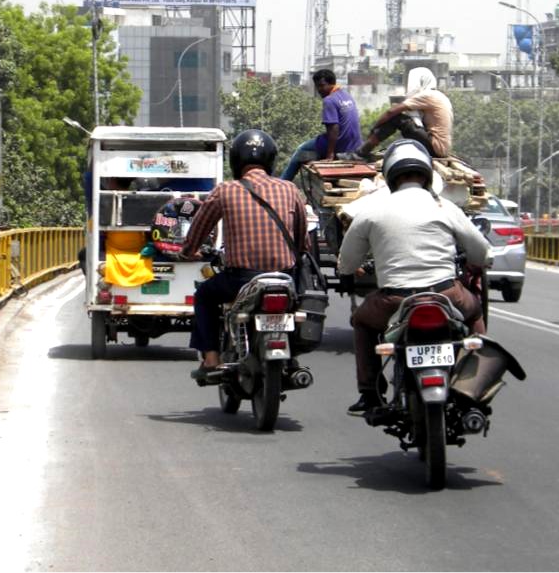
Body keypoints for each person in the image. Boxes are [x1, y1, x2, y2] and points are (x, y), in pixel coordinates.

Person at [337, 139, 490, 414]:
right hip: (446, 294)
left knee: (361, 322)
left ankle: (370, 393)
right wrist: (477, 263)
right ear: (427, 174)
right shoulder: (445, 207)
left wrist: (349, 272)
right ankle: (474, 386)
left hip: (394, 300)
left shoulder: (370, 209)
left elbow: (347, 262)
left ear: (391, 175)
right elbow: (480, 252)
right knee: (475, 313)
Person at [181, 129, 307, 381]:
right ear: (270, 159)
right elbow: (302, 238)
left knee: (204, 296)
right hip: (284, 279)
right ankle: (291, 356)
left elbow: (198, 230)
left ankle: (211, 358)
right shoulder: (290, 189)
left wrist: (188, 251)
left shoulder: (225, 191)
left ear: (236, 160)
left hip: (241, 281)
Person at [345, 67, 452, 160]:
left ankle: (361, 153)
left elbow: (391, 111)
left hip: (435, 147)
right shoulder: (439, 96)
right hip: (441, 149)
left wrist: (375, 127)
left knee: (398, 118)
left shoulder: (428, 96)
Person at [280, 69, 362, 181]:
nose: (319, 90)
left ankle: (283, 182)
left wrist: (330, 155)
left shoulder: (329, 100)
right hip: (354, 144)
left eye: (322, 86)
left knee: (300, 151)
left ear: (331, 83)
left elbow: (334, 128)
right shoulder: (346, 95)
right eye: (317, 86)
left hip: (341, 143)